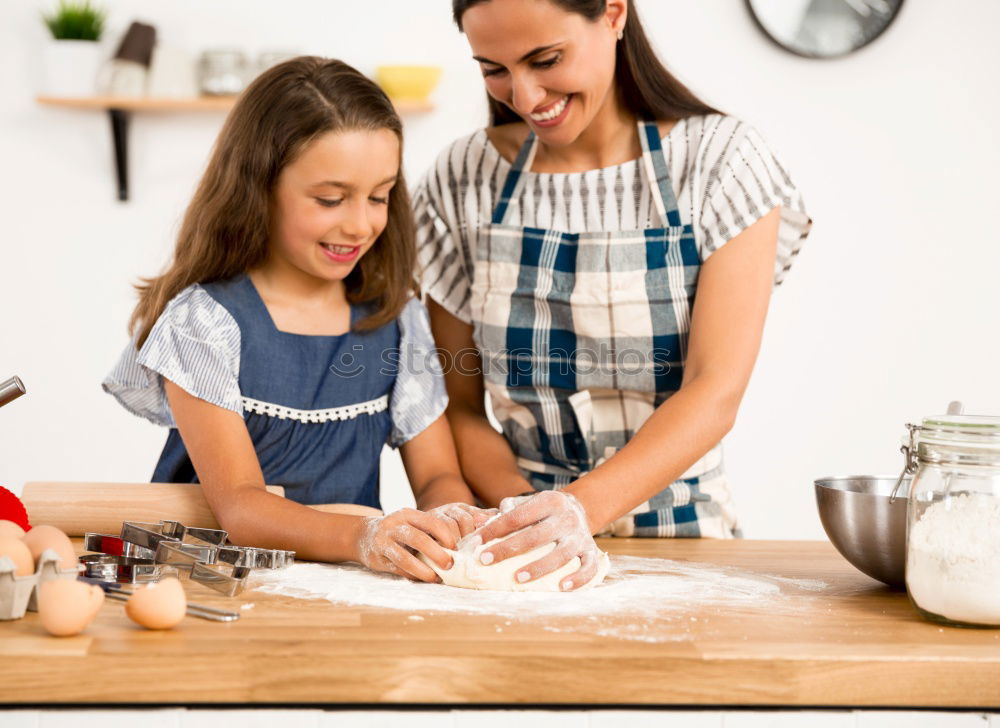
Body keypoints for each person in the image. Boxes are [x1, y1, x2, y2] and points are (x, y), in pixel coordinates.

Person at [415, 0, 812, 590]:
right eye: (493, 69)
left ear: (614, 14)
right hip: (516, 544)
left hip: (686, 546)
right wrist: (528, 518)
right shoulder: (463, 176)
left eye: (545, 59)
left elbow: (715, 388)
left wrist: (581, 509)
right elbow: (461, 403)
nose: (523, 98)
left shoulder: (720, 162)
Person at [104, 57, 491, 581]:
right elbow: (241, 507)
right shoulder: (204, 323)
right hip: (208, 586)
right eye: (331, 199)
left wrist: (449, 515)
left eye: (379, 196)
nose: (360, 224)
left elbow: (439, 472)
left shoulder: (397, 321)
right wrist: (364, 536)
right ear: (258, 188)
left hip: (343, 594)